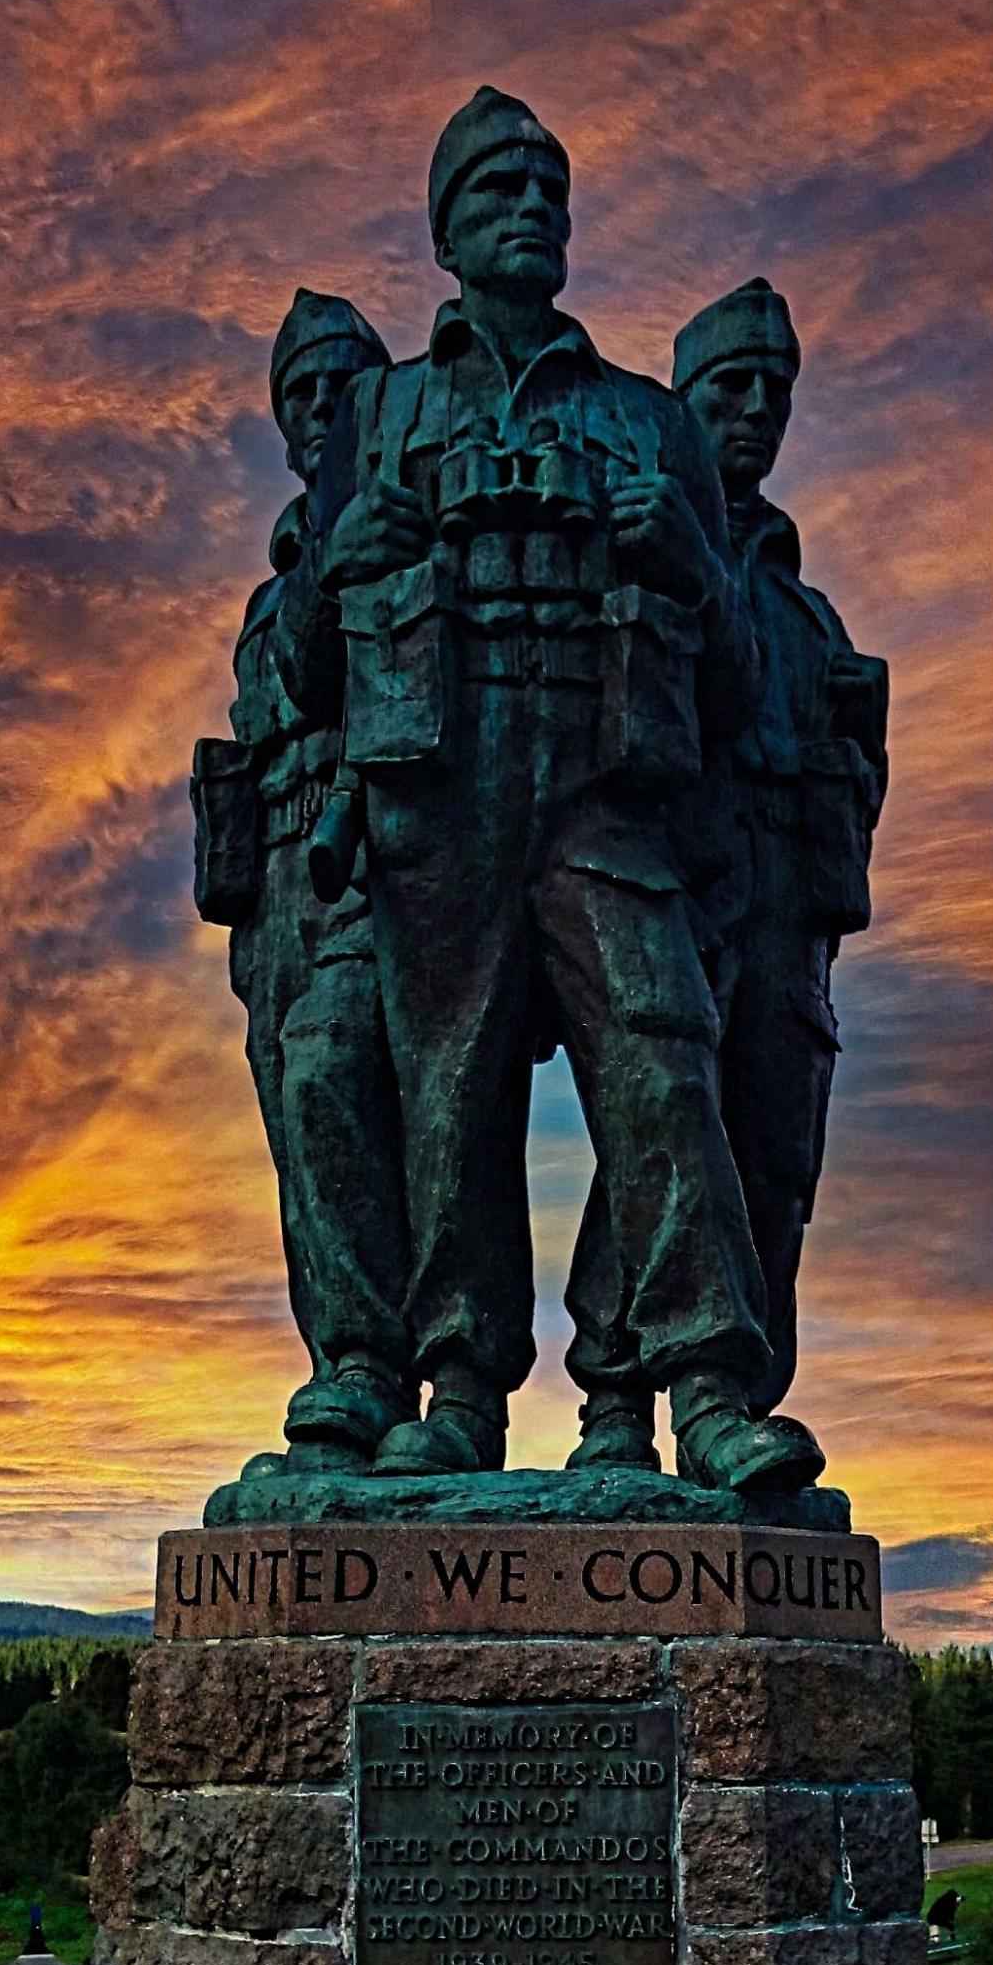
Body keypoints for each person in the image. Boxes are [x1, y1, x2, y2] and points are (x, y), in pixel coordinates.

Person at [277, 90, 823, 1497]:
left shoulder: (650, 421)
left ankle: (703, 1385)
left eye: (549, 190)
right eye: (497, 189)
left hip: (603, 790)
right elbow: (301, 676)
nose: (530, 209)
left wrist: (695, 568)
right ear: (447, 230)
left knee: (663, 1057)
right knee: (447, 1095)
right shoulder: (383, 408)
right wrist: (345, 565)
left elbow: (748, 683)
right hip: (438, 794)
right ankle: (456, 1390)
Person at [565, 278, 887, 1456]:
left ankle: (738, 1404)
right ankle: (614, 1398)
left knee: (772, 1159)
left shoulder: (810, 618)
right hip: (681, 887)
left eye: (776, 389)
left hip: (788, 922)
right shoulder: (636, 544)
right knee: (656, 1127)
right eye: (728, 387)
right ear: (682, 403)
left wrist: (853, 761)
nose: (756, 409)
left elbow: (857, 783)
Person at [193, 287, 416, 1465]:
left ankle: (387, 1362)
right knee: (299, 1121)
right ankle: (345, 1369)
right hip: (271, 877)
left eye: (342, 384)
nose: (323, 407)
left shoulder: (390, 538)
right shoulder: (276, 585)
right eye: (303, 392)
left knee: (342, 1076)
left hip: (373, 849)